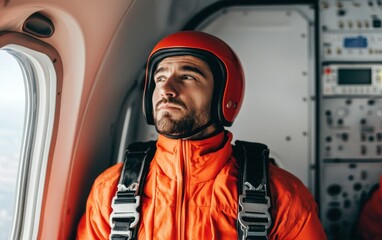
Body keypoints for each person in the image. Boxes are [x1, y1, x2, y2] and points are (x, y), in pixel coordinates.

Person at [77, 31, 327, 239]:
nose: (165, 88)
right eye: (160, 77)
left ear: (224, 95)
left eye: (187, 76)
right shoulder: (110, 191)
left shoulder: (283, 196)